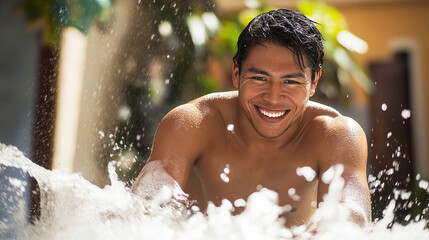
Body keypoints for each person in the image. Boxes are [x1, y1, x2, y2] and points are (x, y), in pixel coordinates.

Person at [132, 8, 371, 229]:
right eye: (259, 78)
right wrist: (155, 204)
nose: (273, 98)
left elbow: (352, 215)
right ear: (237, 73)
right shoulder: (193, 123)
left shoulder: (335, 135)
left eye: (291, 81)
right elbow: (152, 191)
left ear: (313, 82)